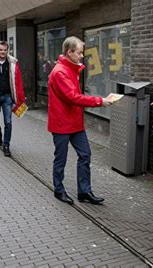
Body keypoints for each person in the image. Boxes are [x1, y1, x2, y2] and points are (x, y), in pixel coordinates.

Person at [47, 36, 111, 205]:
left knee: (85, 155)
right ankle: (59, 190)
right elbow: (73, 97)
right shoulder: (60, 72)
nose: (82, 56)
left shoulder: (71, 69)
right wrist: (100, 101)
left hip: (74, 123)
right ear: (69, 52)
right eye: (80, 53)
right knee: (61, 158)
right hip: (61, 124)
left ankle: (84, 191)